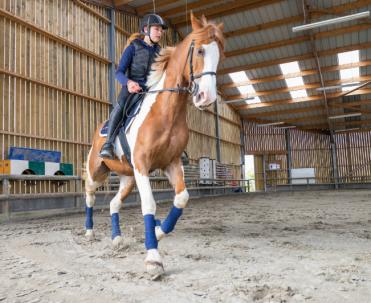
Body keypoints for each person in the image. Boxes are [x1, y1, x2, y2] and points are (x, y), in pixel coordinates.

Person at [99, 14, 168, 159]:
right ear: (146, 29)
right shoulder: (133, 48)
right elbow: (119, 72)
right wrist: (129, 83)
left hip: (151, 91)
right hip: (132, 89)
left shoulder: (160, 52)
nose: (160, 33)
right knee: (121, 106)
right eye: (157, 29)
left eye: (161, 30)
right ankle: (108, 143)